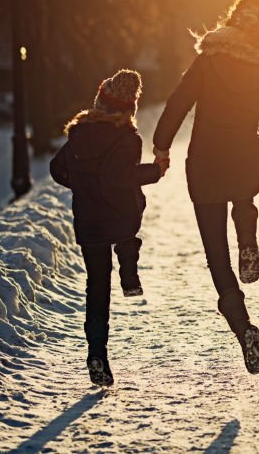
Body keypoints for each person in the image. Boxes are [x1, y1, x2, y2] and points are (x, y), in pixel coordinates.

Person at [152, 0, 259, 375]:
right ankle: (247, 231)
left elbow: (177, 103)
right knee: (244, 198)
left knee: (216, 255)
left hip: (206, 164)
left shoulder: (209, 61)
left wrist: (161, 148)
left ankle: (243, 326)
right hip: (249, 163)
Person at [50, 69, 168, 386]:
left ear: (99, 103)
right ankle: (129, 270)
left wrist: (82, 185)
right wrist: (154, 172)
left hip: (89, 220)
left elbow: (57, 169)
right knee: (129, 226)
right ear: (129, 109)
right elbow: (118, 177)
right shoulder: (127, 138)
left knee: (97, 286)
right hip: (119, 215)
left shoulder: (79, 135)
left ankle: (97, 354)